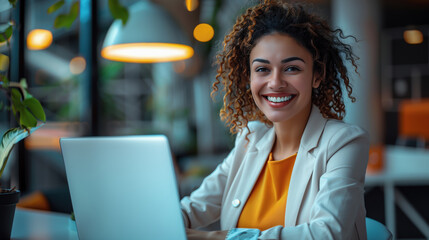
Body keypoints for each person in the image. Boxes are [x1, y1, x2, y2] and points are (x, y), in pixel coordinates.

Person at [182, 0, 369, 239]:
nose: (275, 83)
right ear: (248, 76)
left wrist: (216, 237)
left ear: (317, 75)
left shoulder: (343, 142)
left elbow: (326, 234)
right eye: (262, 69)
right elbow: (194, 207)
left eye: (292, 68)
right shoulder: (250, 138)